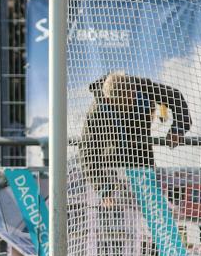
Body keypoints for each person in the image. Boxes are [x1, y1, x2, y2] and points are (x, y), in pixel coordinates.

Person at [79, 71, 191, 207]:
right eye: (125, 102)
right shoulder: (96, 111)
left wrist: (178, 129)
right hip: (114, 171)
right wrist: (103, 188)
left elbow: (175, 96)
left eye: (132, 96)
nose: (131, 102)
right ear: (110, 101)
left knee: (153, 211)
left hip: (144, 165)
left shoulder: (142, 87)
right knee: (121, 214)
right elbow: (86, 152)